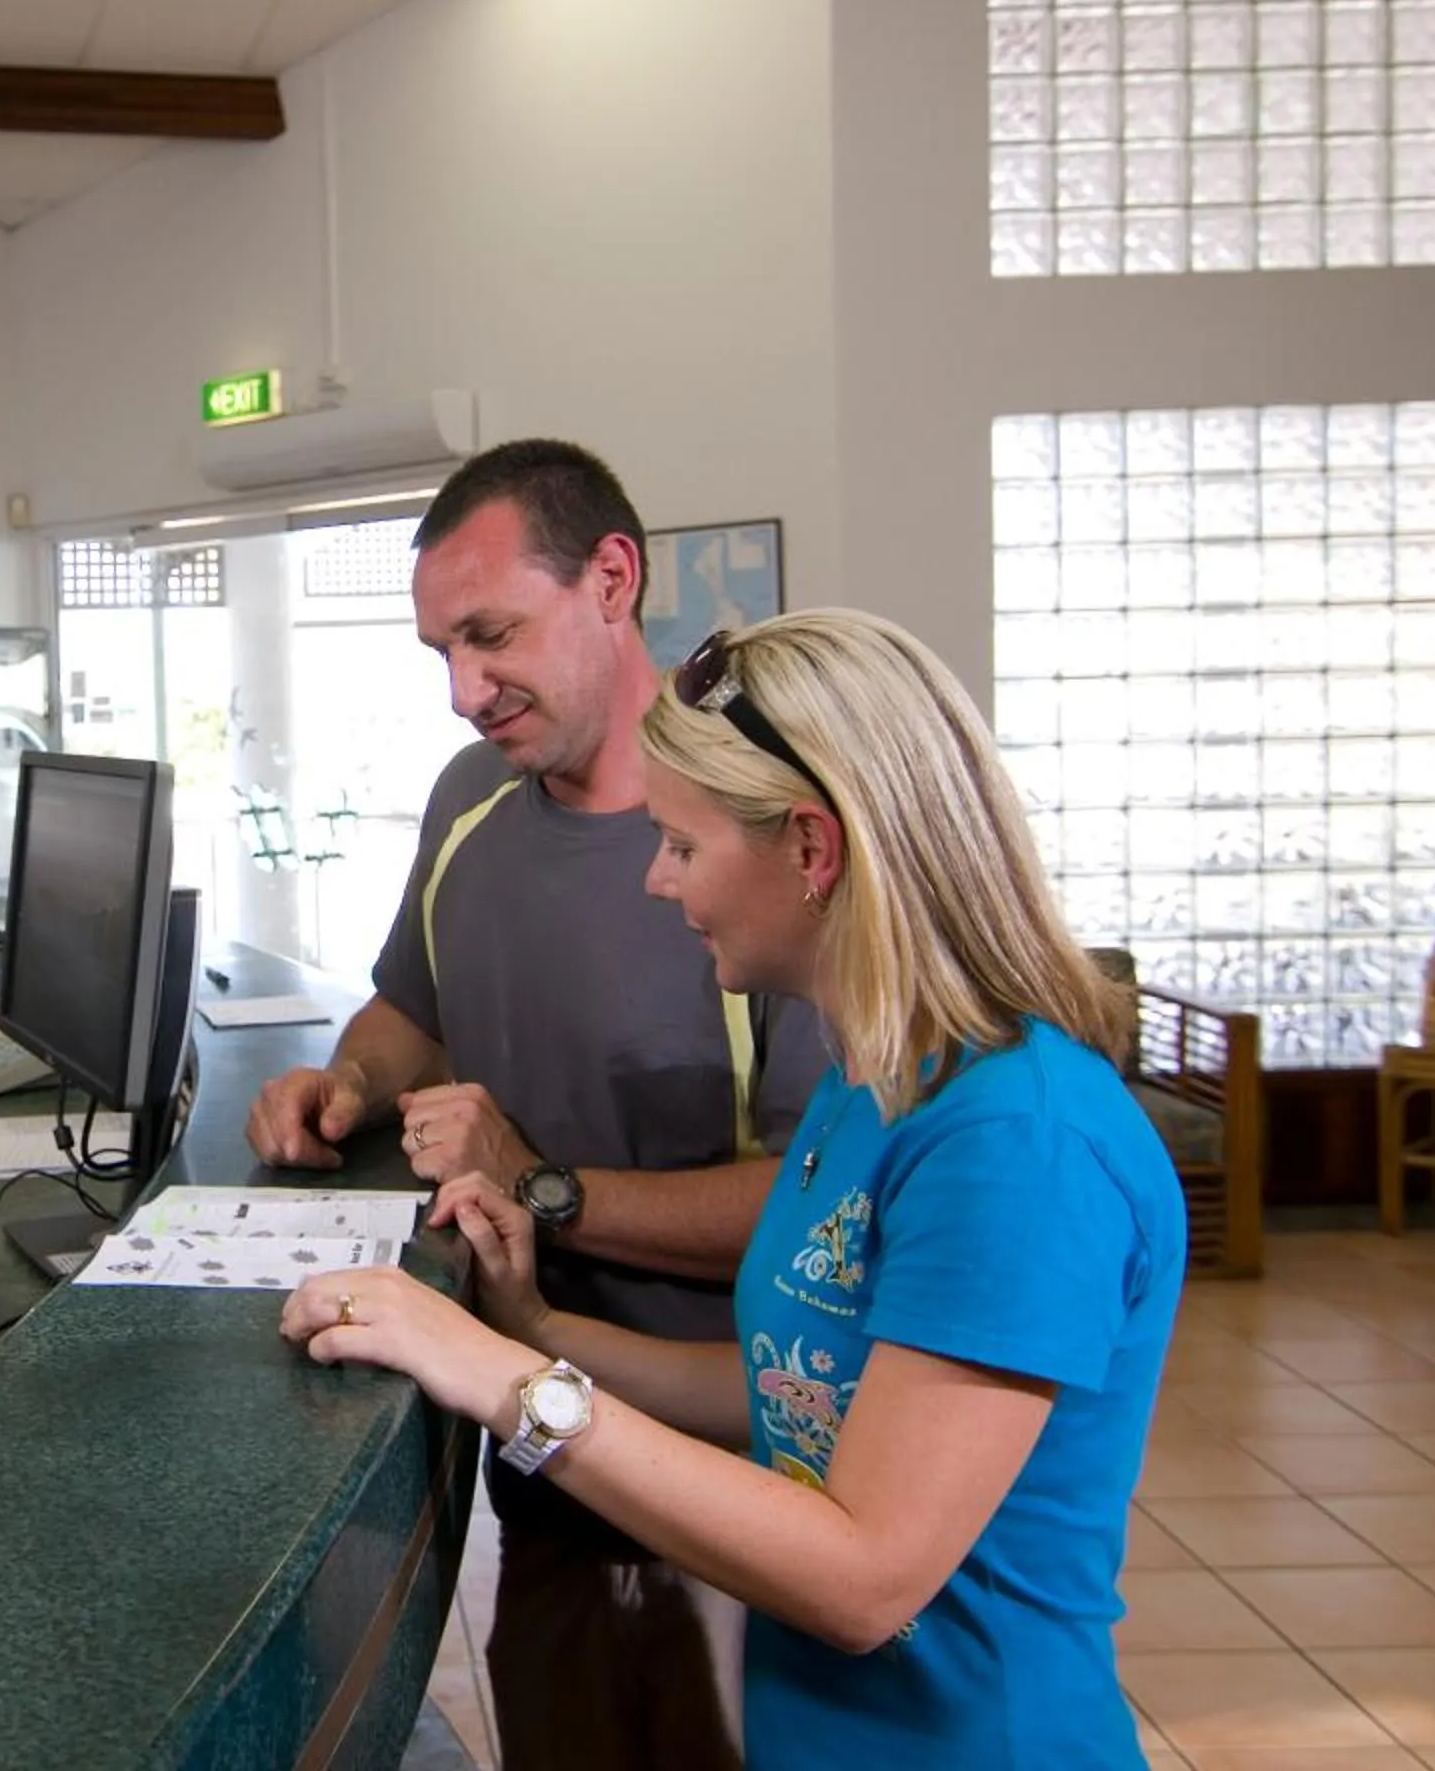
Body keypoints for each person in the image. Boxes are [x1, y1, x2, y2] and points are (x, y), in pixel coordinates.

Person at [282, 608, 1185, 1771]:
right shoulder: (875, 1083)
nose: (659, 880)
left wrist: (495, 1375)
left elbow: (864, 1575)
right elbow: (796, 1384)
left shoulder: (1020, 1145)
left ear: (812, 849)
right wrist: (536, 1327)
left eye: (683, 844)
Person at [246, 440, 826, 1769]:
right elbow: (416, 1004)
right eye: (439, 650)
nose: (464, 690)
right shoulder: (471, 796)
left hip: (719, 1480)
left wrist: (540, 1182)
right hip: (539, 1447)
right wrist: (348, 1081)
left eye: (491, 636)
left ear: (612, 580)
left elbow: (818, 1210)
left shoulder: (761, 844)